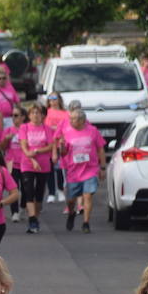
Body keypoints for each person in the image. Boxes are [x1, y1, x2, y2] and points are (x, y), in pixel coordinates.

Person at [56, 100, 105, 233]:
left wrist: (102, 168)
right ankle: (71, 213)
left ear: (82, 121)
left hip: (90, 169)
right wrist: (61, 147)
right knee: (71, 200)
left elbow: (100, 149)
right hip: (73, 171)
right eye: (70, 119)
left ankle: (86, 222)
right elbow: (64, 152)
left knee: (88, 196)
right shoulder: (67, 133)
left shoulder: (93, 131)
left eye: (74, 119)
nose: (71, 121)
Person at [15, 104, 53, 234]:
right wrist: (31, 158)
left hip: (43, 164)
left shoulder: (47, 129)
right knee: (28, 190)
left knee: (39, 192)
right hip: (27, 164)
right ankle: (32, 218)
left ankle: (35, 217)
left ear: (43, 115)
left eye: (38, 113)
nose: (36, 115)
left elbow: (50, 146)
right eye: (33, 113)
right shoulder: (24, 128)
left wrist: (36, 151)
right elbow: (24, 146)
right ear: (29, 115)